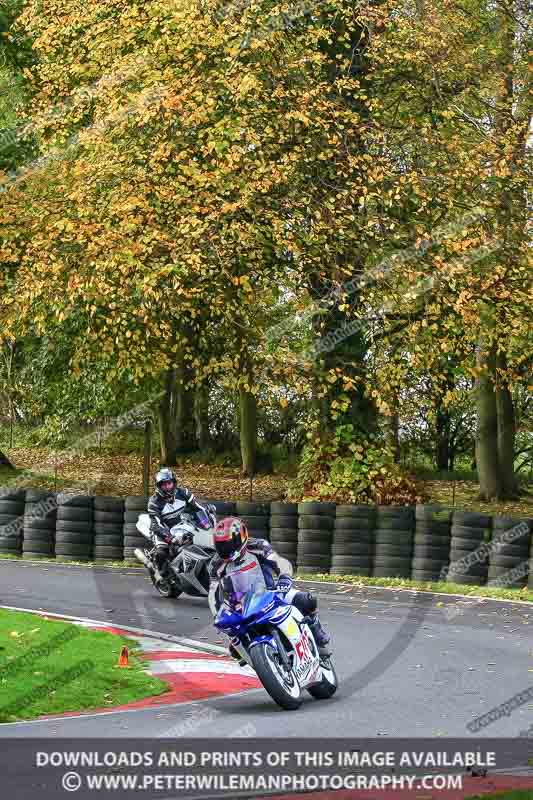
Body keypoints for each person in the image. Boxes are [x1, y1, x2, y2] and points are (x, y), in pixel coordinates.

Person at [208, 517, 331, 657]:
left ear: (241, 537)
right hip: (240, 607)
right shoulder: (215, 565)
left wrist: (284, 578)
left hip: (271, 593)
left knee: (306, 600)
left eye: (230, 543)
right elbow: (213, 593)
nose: (226, 549)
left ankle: (316, 631)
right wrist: (217, 616)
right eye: (221, 545)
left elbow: (279, 562)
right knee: (235, 649)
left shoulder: (258, 546)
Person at [147, 468, 209, 580]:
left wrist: (207, 521)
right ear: (159, 486)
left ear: (174, 483)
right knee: (161, 552)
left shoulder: (183, 493)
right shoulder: (154, 502)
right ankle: (160, 572)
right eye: (164, 485)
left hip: (183, 527)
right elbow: (156, 524)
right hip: (162, 531)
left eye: (169, 483)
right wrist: (169, 537)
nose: (167, 487)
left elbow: (198, 508)